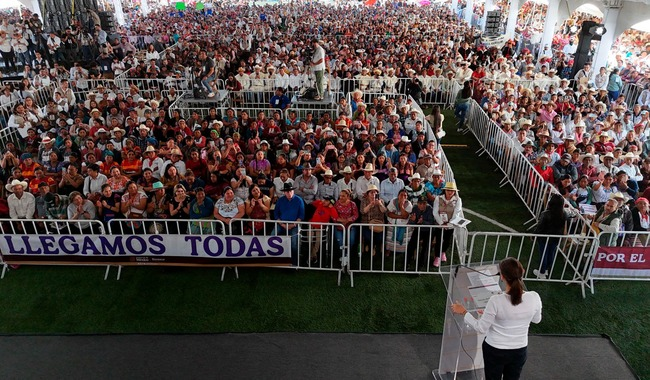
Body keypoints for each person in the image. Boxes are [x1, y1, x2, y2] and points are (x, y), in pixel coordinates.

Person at [451, 257, 542, 380]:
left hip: (495, 351)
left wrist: (463, 312)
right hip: (519, 351)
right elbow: (536, 320)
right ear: (522, 271)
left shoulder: (496, 301)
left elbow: (481, 327)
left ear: (502, 277)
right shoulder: (534, 297)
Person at [532, 194, 567, 279]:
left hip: (544, 238)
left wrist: (534, 235)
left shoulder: (545, 214)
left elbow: (540, 227)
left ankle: (542, 272)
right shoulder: (564, 214)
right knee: (551, 253)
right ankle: (546, 269)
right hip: (556, 238)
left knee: (543, 254)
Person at [274, 182, 305, 266]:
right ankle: (274, 260)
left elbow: (301, 216)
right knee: (272, 236)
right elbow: (276, 214)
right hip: (282, 224)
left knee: (294, 243)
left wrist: (293, 224)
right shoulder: (280, 200)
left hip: (294, 224)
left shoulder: (299, 200)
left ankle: (295, 262)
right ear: (284, 192)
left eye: (291, 191)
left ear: (293, 191)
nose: (289, 193)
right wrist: (282, 224)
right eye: (287, 191)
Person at [432, 182, 462, 267]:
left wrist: (449, 224)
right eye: (448, 190)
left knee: (447, 240)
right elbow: (435, 212)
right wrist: (441, 223)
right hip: (439, 224)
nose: (450, 192)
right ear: (445, 190)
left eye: (452, 190)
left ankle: (443, 252)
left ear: (454, 192)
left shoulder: (458, 200)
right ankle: (437, 257)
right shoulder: (438, 198)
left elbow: (456, 213)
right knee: (438, 240)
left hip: (450, 224)